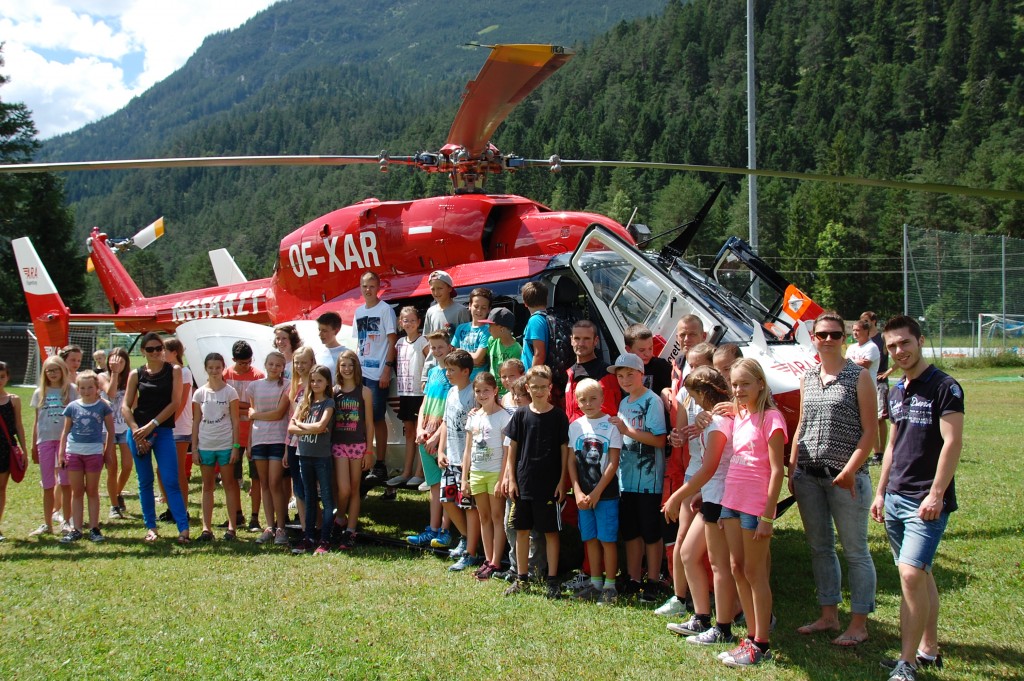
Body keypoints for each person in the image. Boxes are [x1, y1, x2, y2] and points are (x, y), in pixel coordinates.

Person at [872, 315, 964, 681]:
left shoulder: (945, 387)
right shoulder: (898, 389)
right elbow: (892, 445)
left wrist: (936, 495)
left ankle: (906, 663)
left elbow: (952, 442)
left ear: (920, 341)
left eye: (904, 343)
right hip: (895, 497)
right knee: (920, 574)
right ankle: (928, 651)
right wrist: (881, 492)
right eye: (892, 346)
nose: (899, 351)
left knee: (910, 575)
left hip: (926, 502)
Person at [790, 311, 878, 646]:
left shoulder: (859, 376)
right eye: (822, 334)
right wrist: (793, 468)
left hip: (847, 480)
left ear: (845, 338)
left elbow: (870, 432)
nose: (828, 340)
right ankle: (828, 616)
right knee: (820, 548)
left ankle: (859, 623)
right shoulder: (808, 377)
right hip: (809, 477)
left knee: (856, 551)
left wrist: (849, 471)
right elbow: (802, 425)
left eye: (835, 335)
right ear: (813, 338)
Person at [717, 358, 788, 667]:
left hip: (754, 507)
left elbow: (777, 470)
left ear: (761, 383)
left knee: (755, 573)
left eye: (745, 383)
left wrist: (768, 516)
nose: (739, 389)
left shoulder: (772, 419)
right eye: (734, 384)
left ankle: (761, 642)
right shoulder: (742, 415)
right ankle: (750, 636)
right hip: (731, 502)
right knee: (737, 568)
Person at [663, 366, 739, 646]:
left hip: (719, 499)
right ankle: (701, 618)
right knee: (688, 553)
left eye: (694, 396)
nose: (692, 402)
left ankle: (723, 628)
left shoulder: (719, 423)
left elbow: (709, 469)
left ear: (704, 394)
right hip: (710, 496)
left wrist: (677, 496)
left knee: (719, 565)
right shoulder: (716, 419)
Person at [503, 365, 570, 598]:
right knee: (522, 531)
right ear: (527, 388)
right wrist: (512, 479)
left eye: (543, 387)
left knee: (550, 532)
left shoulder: (558, 416)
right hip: (524, 483)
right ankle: (522, 578)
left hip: (550, 485)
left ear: (550, 388)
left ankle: (552, 580)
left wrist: (562, 481)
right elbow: (512, 449)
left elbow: (564, 450)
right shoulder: (520, 415)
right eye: (534, 387)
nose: (539, 391)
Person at [658, 343, 715, 617]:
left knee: (715, 547)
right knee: (682, 538)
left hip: (718, 477)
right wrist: (676, 437)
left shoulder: (724, 396)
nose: (693, 370)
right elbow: (678, 432)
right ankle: (679, 598)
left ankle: (717, 599)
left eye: (699, 364)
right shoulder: (686, 392)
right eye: (690, 365)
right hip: (694, 471)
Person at [608, 352, 668, 600]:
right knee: (631, 531)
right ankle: (634, 578)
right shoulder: (624, 402)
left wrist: (627, 430)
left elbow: (659, 440)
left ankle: (653, 580)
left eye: (630, 374)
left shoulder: (652, 401)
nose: (625, 380)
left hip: (649, 480)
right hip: (626, 478)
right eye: (620, 376)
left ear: (641, 374)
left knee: (650, 531)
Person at [122, 332, 189, 543]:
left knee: (170, 480)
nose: (155, 352)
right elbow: (125, 406)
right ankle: (151, 527)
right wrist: (136, 430)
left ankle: (183, 529)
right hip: (138, 434)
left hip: (162, 431)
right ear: (143, 351)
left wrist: (153, 424)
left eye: (159, 348)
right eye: (150, 349)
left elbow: (175, 402)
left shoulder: (174, 370)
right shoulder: (136, 374)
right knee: (145, 481)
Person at [567, 378, 622, 604]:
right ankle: (596, 582)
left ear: (602, 398)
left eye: (593, 398)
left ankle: (610, 586)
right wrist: (577, 491)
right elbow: (571, 461)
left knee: (607, 539)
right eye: (583, 400)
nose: (588, 404)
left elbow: (613, 462)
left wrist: (598, 492)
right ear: (576, 401)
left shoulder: (611, 425)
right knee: (589, 538)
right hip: (583, 495)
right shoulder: (575, 426)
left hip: (605, 494)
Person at [405, 331, 455, 548]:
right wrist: (419, 429)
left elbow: (451, 411)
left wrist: (436, 437)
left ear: (450, 347)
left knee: (447, 485)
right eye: (433, 348)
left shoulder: (453, 375)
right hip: (425, 435)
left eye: (440, 347)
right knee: (434, 485)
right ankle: (432, 529)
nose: (436, 351)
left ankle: (445, 530)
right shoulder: (433, 372)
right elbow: (425, 403)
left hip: (443, 438)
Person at [461, 371, 512, 580]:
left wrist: (502, 478)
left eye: (486, 391)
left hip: (494, 473)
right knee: (483, 517)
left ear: (495, 391)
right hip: (477, 472)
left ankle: (496, 562)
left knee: (497, 516)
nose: (482, 395)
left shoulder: (503, 417)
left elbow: (507, 451)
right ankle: (488, 559)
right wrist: (464, 478)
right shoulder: (474, 417)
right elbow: (467, 449)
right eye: (478, 391)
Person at [437, 349, 482, 571]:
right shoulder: (451, 392)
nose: (448, 374)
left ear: (466, 371)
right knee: (446, 500)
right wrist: (441, 450)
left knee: (469, 507)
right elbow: (446, 422)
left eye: (452, 370)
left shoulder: (474, 393)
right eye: (447, 370)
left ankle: (471, 552)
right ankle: (466, 538)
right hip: (451, 457)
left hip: (468, 461)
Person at [57, 371, 115, 543]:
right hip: (74, 452)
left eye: (90, 387)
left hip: (94, 453)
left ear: (97, 388)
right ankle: (76, 529)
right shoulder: (72, 407)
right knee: (76, 492)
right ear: (78, 389)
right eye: (82, 388)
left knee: (92, 491)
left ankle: (94, 528)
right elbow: (65, 431)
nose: (86, 391)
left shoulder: (103, 407)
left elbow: (111, 431)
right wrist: (61, 453)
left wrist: (107, 452)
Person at [353, 271, 398, 484]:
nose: (368, 290)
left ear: (378, 287)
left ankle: (380, 464)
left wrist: (387, 369)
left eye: (371, 286)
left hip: (378, 373)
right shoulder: (359, 312)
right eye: (364, 286)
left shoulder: (385, 310)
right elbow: (359, 344)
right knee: (362, 419)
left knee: (378, 418)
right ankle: (363, 460)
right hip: (361, 373)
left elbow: (392, 341)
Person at [191, 353, 241, 541]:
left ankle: (232, 528)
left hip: (225, 444)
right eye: (210, 368)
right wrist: (194, 448)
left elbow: (236, 421)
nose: (214, 371)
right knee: (207, 486)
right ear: (205, 369)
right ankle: (206, 529)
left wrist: (235, 446)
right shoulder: (199, 393)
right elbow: (196, 422)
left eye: (218, 368)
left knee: (229, 484)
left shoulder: (230, 392)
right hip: (205, 445)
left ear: (223, 368)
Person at [288, 364, 335, 555]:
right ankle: (308, 537)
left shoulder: (329, 403)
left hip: (321, 457)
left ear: (327, 383)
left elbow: (321, 426)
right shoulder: (304, 402)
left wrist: (301, 425)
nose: (315, 384)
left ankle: (325, 539)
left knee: (327, 498)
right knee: (309, 497)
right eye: (313, 380)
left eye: (319, 381)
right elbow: (291, 428)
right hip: (303, 455)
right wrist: (309, 427)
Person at [247, 350, 292, 546]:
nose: (274, 367)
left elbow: (278, 413)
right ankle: (269, 526)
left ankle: (281, 526)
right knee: (264, 483)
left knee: (275, 482)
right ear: (265, 364)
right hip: (259, 439)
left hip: (277, 438)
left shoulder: (287, 385)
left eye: (278, 365)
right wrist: (249, 442)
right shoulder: (254, 386)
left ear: (283, 368)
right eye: (271, 364)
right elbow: (250, 416)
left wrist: (256, 415)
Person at [332, 350, 375, 549]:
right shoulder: (334, 391)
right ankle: (340, 517)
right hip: (339, 444)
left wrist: (369, 450)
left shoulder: (364, 392)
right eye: (343, 365)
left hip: (358, 445)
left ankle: (350, 530)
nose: (347, 369)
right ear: (338, 367)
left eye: (351, 365)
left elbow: (369, 423)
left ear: (356, 367)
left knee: (355, 488)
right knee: (344, 488)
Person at [29, 356, 76, 537]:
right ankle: (47, 523)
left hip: (66, 442)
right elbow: (36, 421)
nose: (52, 373)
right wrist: (34, 444)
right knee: (48, 484)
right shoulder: (39, 392)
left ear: (62, 370)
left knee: (65, 482)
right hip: (45, 441)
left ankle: (67, 521)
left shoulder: (71, 390)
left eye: (56, 369)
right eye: (49, 370)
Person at [223, 340, 265, 532]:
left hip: (254, 434)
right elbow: (225, 404)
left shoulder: (258, 376)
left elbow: (256, 406)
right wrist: (244, 406)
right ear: (234, 360)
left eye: (249, 362)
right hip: (232, 435)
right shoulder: (226, 375)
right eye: (242, 363)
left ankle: (255, 518)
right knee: (233, 477)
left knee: (256, 477)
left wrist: (237, 405)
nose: (246, 366)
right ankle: (237, 514)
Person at [387, 305, 428, 489]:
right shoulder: (399, 343)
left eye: (413, 320)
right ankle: (406, 472)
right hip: (405, 392)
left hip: (419, 393)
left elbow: (430, 363)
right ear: (400, 322)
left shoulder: (423, 341)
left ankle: (420, 473)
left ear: (418, 322)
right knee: (409, 433)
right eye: (406, 320)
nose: (409, 323)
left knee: (420, 434)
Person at [162, 338, 194, 519]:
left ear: (174, 352)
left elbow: (180, 403)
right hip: (166, 425)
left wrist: (168, 422)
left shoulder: (185, 372)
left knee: (178, 469)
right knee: (162, 470)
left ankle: (182, 510)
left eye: (164, 350)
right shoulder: (165, 372)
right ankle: (171, 508)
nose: (160, 354)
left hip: (179, 427)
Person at [99, 348, 132, 519]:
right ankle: (114, 505)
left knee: (127, 465)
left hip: (125, 428)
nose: (117, 364)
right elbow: (111, 393)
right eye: (113, 360)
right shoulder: (102, 376)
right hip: (107, 429)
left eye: (121, 361)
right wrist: (114, 373)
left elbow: (134, 403)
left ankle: (117, 493)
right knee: (112, 467)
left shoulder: (130, 378)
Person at [565, 319, 620, 420]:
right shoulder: (570, 373)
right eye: (577, 338)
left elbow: (608, 415)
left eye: (586, 338)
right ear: (571, 340)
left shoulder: (605, 373)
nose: (581, 343)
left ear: (596, 341)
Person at [285, 346, 315, 530]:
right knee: (298, 488)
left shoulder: (316, 385)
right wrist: (285, 448)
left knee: (309, 488)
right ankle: (305, 528)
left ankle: (316, 527)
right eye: (297, 362)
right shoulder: (293, 387)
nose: (300, 366)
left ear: (312, 362)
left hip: (311, 442)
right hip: (293, 442)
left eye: (304, 362)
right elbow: (290, 419)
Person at [0, 361, 28, 541]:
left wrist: (24, 449)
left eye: (2, 377)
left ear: (7, 377)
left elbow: (18, 425)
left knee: (1, 488)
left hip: (5, 448)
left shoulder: (14, 400)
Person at [861, 311, 893, 465]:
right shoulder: (864, 339)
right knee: (870, 418)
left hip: (880, 382)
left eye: (866, 320)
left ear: (874, 321)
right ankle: (876, 453)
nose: (864, 323)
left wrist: (888, 372)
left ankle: (882, 451)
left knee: (880, 418)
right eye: (862, 321)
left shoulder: (882, 338)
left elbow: (896, 355)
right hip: (867, 382)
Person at [452, 287, 493, 380]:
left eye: (483, 308)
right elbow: (452, 351)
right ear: (470, 305)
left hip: (479, 380)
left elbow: (477, 359)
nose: (479, 310)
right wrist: (471, 357)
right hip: (460, 379)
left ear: (489, 309)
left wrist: (459, 351)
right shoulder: (461, 328)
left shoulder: (488, 330)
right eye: (476, 306)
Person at [482, 307, 521, 396]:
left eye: (491, 326)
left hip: (507, 393)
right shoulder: (491, 340)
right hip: (492, 391)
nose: (488, 329)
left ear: (501, 328)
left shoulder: (517, 349)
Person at [423, 270, 470, 340]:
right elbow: (427, 337)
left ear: (450, 288)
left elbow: (466, 338)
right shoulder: (430, 311)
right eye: (433, 289)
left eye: (440, 288)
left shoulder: (461, 311)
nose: (436, 292)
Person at [520, 281, 549, 368]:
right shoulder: (546, 317)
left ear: (525, 303)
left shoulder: (535, 320)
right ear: (546, 300)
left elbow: (539, 354)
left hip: (535, 374)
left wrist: (531, 374)